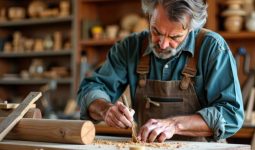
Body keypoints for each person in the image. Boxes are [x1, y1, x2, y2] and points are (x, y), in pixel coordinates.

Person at [77, 0, 244, 143]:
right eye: (156, 32)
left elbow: (231, 114)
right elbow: (91, 89)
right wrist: (106, 110)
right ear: (149, 16)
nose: (163, 44)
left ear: (192, 28)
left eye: (174, 37)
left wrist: (174, 124)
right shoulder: (130, 47)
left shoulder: (213, 48)